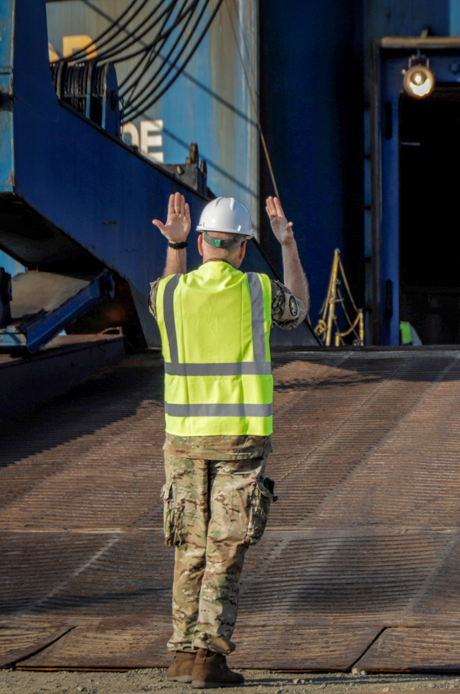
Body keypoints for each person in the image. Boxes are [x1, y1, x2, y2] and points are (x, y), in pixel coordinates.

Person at [149, 192, 308, 688]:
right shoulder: (258, 291)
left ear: (200, 243)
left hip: (184, 441)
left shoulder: (168, 294)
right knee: (225, 547)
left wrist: (173, 246)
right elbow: (300, 309)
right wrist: (288, 244)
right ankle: (209, 658)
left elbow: (170, 282)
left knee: (188, 545)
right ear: (242, 249)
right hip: (239, 440)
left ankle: (180, 654)